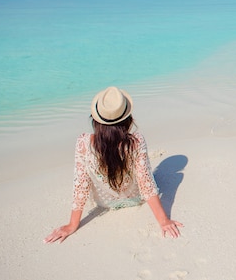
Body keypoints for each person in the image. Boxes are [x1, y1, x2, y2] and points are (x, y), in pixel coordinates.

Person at [44, 86, 183, 243]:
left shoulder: (83, 143)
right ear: (127, 118)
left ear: (95, 119)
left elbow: (81, 184)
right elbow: (146, 184)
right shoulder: (136, 142)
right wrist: (163, 220)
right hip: (136, 198)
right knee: (148, 174)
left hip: (104, 203)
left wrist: (72, 224)